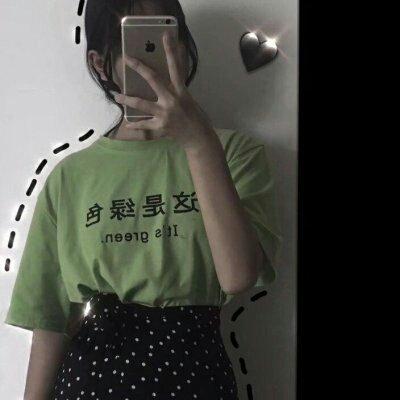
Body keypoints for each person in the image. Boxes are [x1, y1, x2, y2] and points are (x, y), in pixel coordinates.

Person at [4, 0, 282, 399]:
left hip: (195, 376)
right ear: (101, 64)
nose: (160, 55)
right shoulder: (70, 177)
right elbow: (49, 319)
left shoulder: (235, 154)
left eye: (170, 36)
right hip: (91, 380)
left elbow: (238, 276)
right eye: (138, 41)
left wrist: (198, 142)